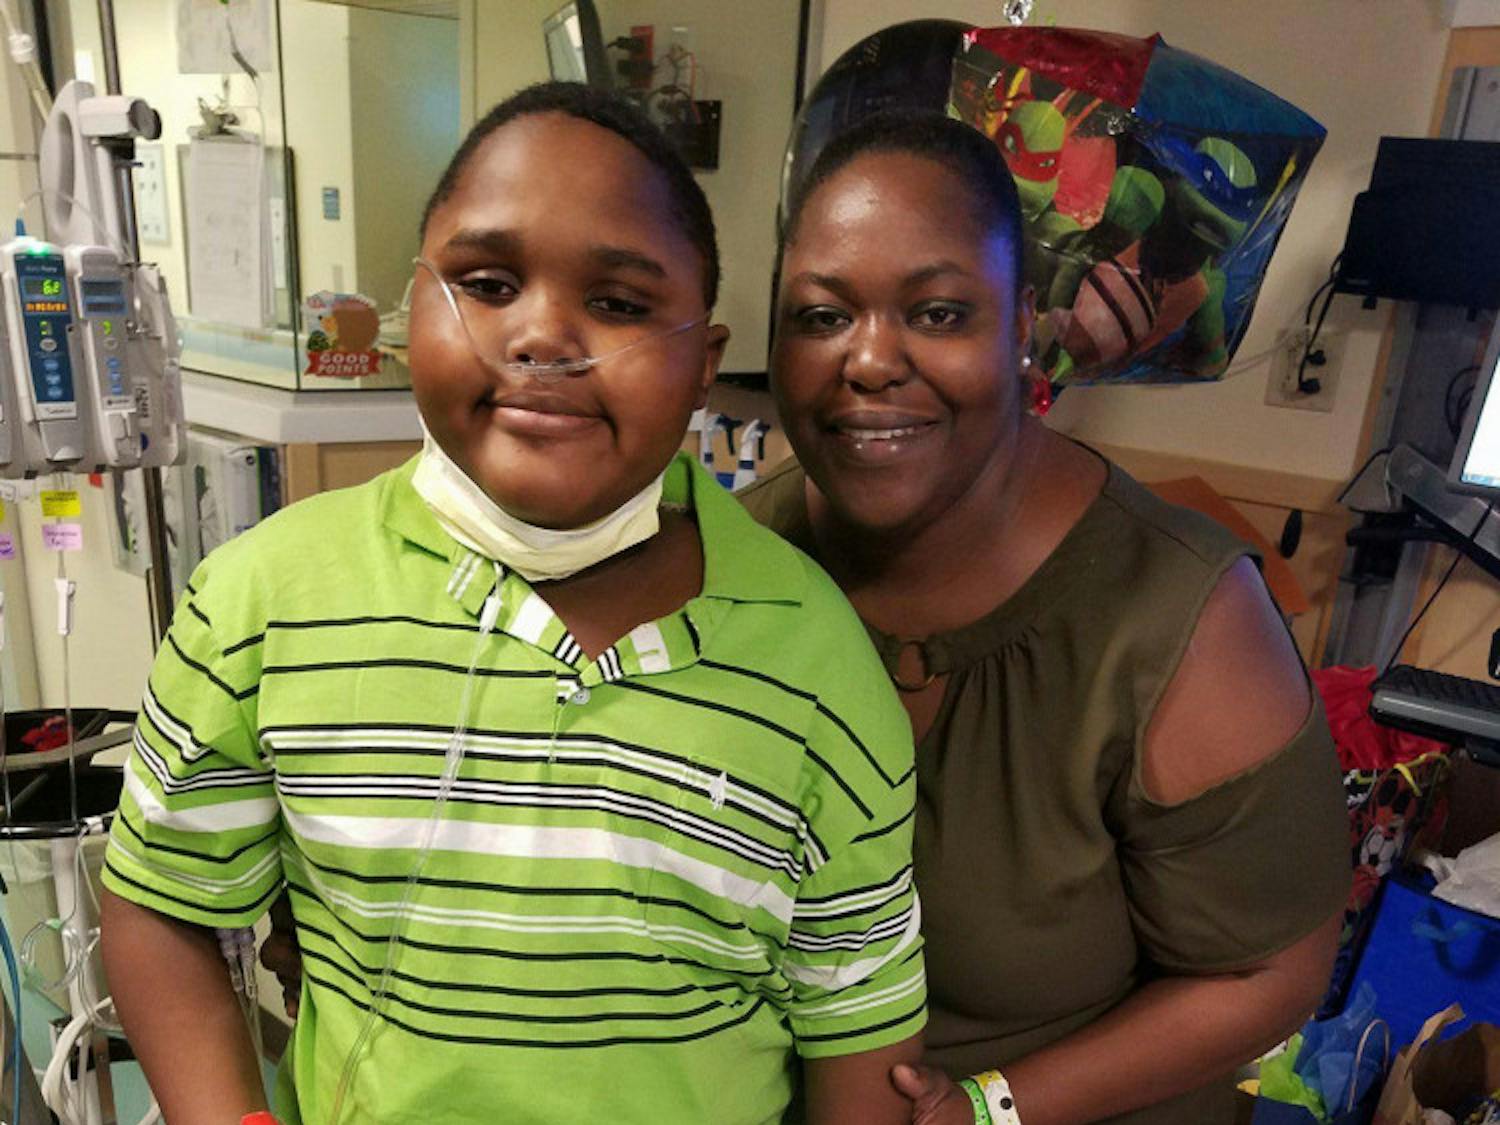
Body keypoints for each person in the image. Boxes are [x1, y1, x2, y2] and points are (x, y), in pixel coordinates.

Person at [99, 83, 927, 1125]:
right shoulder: (263, 605)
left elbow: (858, 1032)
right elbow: (159, 906)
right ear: (412, 310)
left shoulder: (816, 666)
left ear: (701, 366)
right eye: (486, 284)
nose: (543, 334)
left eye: (620, 304)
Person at [748, 111, 1349, 1124]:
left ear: (1023, 327)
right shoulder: (732, 569)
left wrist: (986, 1110)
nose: (869, 360)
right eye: (820, 315)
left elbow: (1270, 974)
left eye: (938, 313)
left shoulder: (1178, 617)